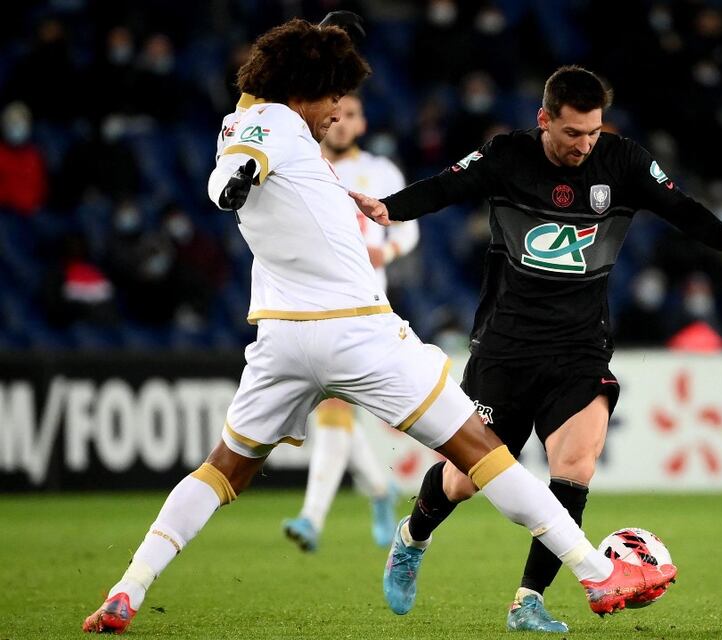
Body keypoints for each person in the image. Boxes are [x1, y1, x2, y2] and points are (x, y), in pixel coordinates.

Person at [81, 21, 675, 636]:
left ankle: (128, 588)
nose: (339, 111)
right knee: (482, 451)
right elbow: (240, 164)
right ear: (306, 88)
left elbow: (243, 139)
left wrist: (317, 44)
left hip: (281, 337)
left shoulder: (247, 120)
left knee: (221, 469)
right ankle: (596, 573)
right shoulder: (276, 129)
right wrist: (233, 182)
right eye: (335, 94)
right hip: (356, 331)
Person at [350, 65, 722, 633]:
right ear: (545, 120)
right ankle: (412, 540)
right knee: (461, 481)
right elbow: (445, 186)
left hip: (579, 348)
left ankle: (528, 600)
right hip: (504, 348)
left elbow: (678, 206)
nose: (586, 145)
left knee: (575, 467)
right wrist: (391, 209)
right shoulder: (507, 156)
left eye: (594, 132)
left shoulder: (624, 161)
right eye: (573, 133)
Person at [282, 94, 419, 551]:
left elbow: (407, 225)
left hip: (363, 300)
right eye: (336, 113)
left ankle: (311, 518)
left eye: (353, 114)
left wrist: (389, 250)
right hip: (310, 297)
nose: (341, 122)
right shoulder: (301, 163)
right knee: (335, 408)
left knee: (334, 408)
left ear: (361, 125)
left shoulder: (381, 172)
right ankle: (381, 492)